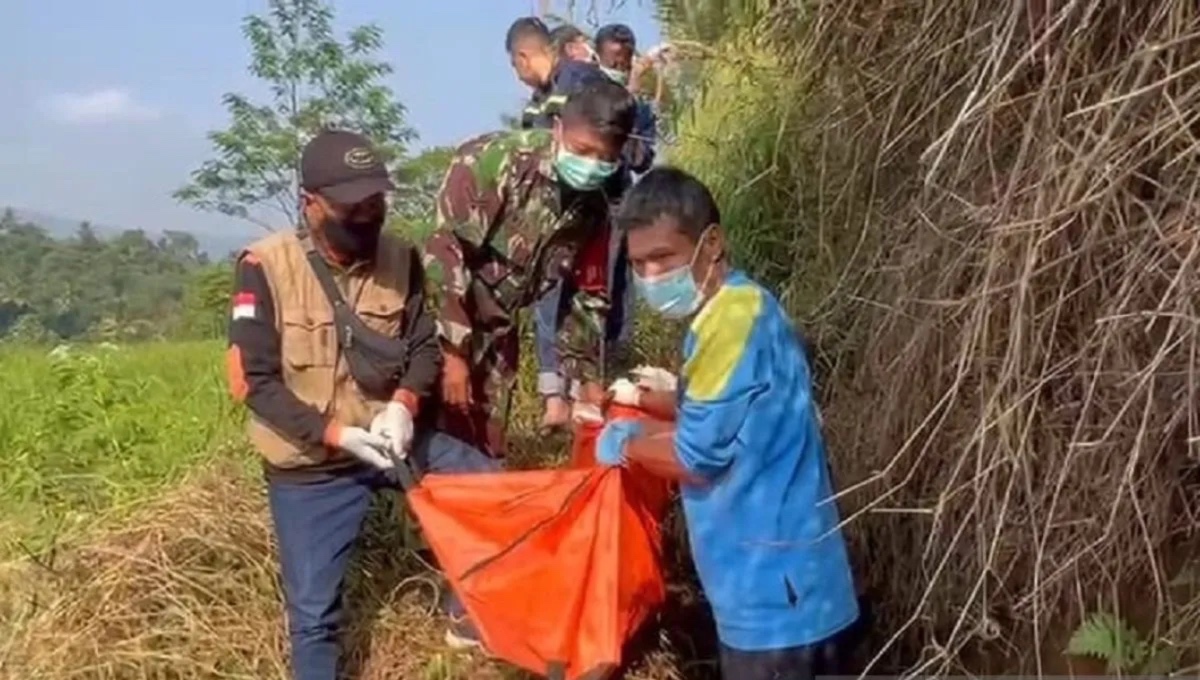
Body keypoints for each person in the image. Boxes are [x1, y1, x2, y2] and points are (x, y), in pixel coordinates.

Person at [225, 129, 498, 680]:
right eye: (353, 206)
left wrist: (401, 403)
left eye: (377, 202)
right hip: (311, 468)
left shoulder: (401, 257)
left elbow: (423, 345)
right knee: (313, 616)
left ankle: (468, 617)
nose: (368, 215)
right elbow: (253, 382)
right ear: (311, 204)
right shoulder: (265, 267)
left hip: (391, 437)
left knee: (495, 493)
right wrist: (334, 435)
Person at [597, 167, 862, 680]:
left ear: (711, 243)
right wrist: (647, 401)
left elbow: (697, 457)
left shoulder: (728, 322)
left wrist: (627, 442)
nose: (652, 277)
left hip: (775, 604)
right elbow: (725, 409)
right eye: (639, 265)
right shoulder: (743, 305)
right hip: (802, 587)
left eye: (663, 258)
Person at [422, 79, 636, 458]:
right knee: (427, 432)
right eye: (582, 150)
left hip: (500, 329)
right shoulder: (494, 161)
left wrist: (586, 381)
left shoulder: (593, 210)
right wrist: (452, 351)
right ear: (557, 130)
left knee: (482, 446)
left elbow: (586, 297)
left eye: (604, 160)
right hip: (442, 317)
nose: (591, 166)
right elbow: (445, 250)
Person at [509, 16, 609, 130]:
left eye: (514, 64)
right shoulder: (538, 101)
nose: (518, 77)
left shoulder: (577, 78)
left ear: (523, 59)